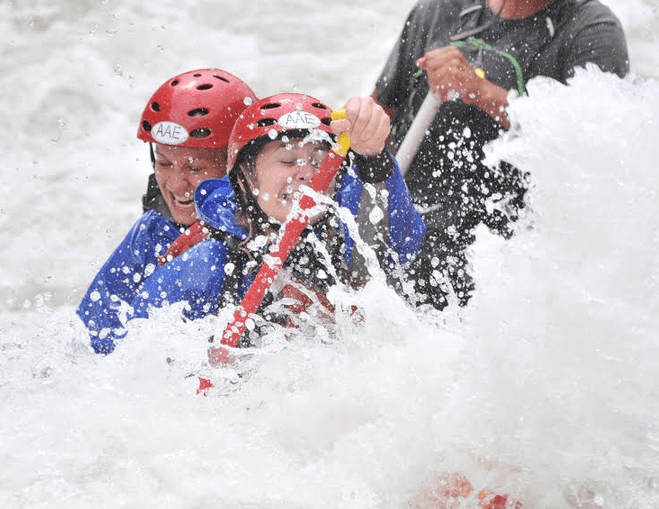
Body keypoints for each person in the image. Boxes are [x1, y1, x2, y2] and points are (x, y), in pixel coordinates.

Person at [373, 0, 629, 310]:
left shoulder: (593, 30)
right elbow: (378, 117)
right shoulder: (438, 9)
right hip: (399, 240)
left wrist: (481, 92)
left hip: (500, 273)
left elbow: (591, 149)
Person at [127, 92, 426, 346]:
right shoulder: (208, 265)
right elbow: (136, 360)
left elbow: (400, 247)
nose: (307, 172)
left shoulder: (349, 231)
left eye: (318, 160)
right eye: (286, 160)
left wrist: (373, 158)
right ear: (245, 176)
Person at [76, 68, 258, 354]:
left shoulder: (276, 215)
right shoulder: (153, 229)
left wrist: (221, 222)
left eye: (194, 168)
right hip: (159, 381)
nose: (175, 185)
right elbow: (88, 340)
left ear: (237, 166)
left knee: (207, 257)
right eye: (164, 163)